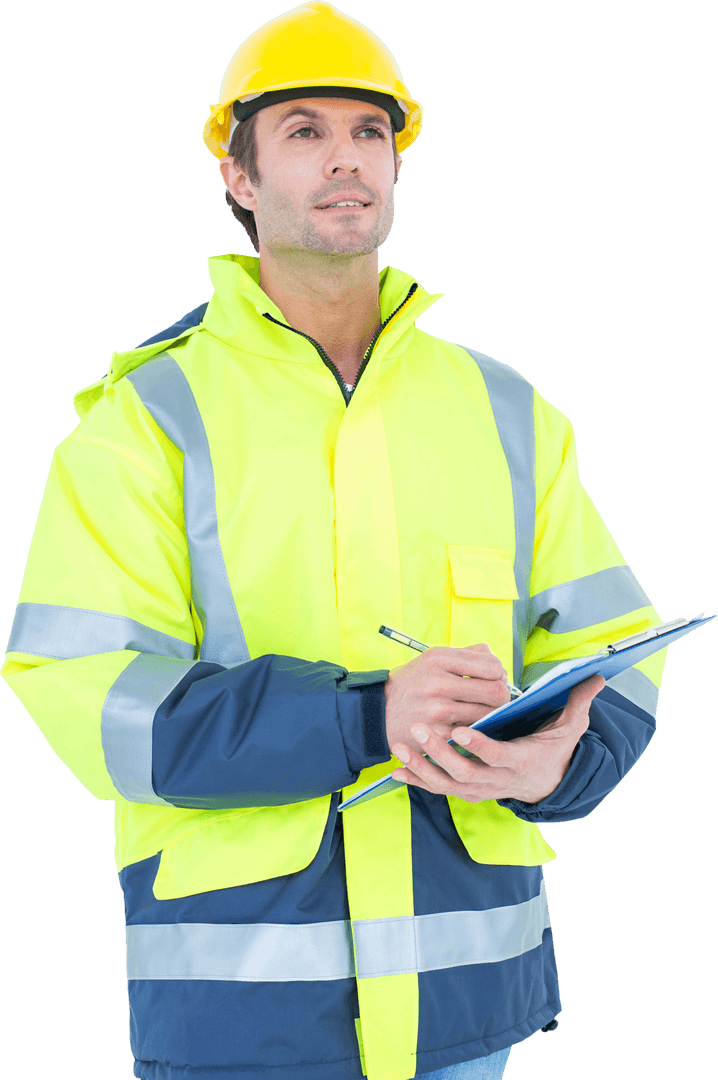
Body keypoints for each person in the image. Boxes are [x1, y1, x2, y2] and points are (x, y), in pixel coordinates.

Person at [0, 3, 667, 1079]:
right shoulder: (146, 422)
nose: (346, 157)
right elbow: (87, 696)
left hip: (467, 1007)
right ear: (240, 176)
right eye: (304, 131)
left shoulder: (505, 408)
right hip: (247, 1013)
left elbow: (619, 646)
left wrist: (559, 762)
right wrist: (363, 716)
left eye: (369, 131)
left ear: (397, 165)